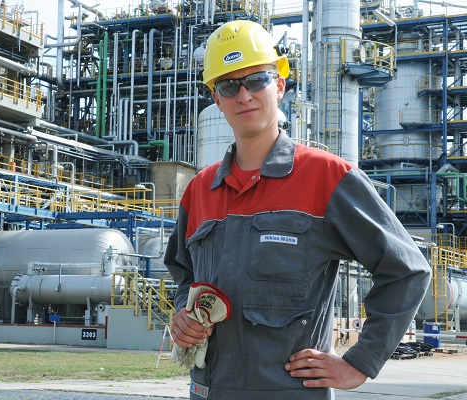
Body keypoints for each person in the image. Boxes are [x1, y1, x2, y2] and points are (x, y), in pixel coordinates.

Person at [164, 19, 431, 400]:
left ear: (280, 85)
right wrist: (183, 317)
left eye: (256, 79)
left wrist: (361, 362)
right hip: (209, 391)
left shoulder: (328, 178)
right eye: (228, 85)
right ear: (215, 98)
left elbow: (407, 270)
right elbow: (183, 274)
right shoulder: (199, 190)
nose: (244, 95)